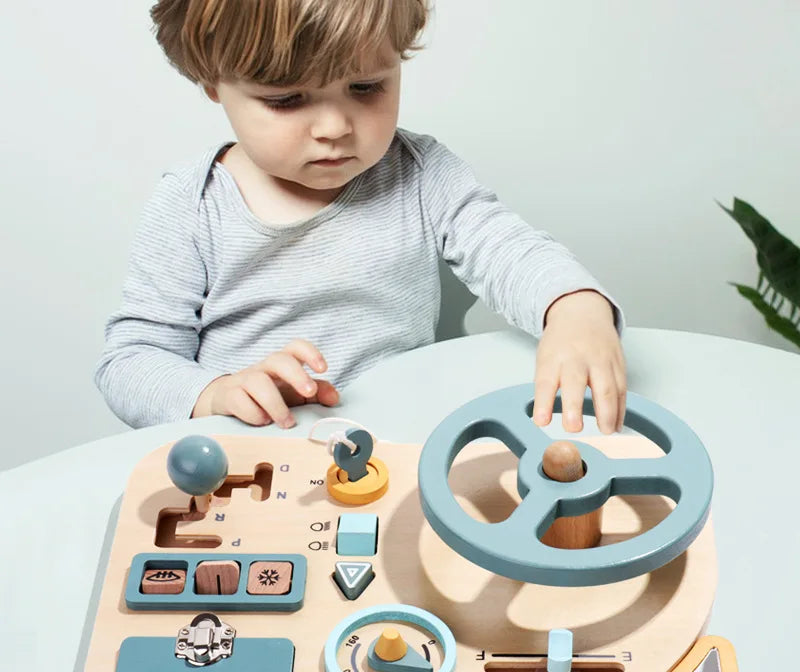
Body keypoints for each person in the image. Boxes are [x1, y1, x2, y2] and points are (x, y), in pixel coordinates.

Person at [95, 0, 627, 435]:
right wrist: (214, 394)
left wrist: (573, 306)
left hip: (399, 442)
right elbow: (131, 362)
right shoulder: (192, 206)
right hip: (251, 463)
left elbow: (508, 249)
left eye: (366, 88)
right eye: (286, 99)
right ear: (212, 83)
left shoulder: (422, 175)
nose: (333, 127)